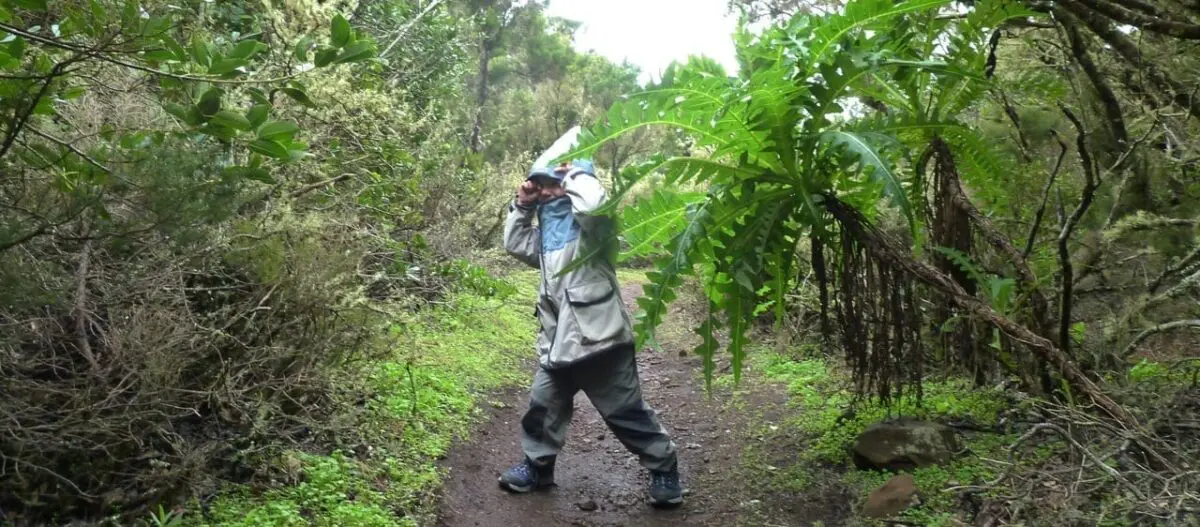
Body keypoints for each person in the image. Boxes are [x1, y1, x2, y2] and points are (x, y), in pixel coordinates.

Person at [498, 158, 683, 506]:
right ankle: (537, 467)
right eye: (542, 184)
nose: (548, 192)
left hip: (601, 339)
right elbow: (517, 244)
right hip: (557, 341)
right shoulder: (549, 231)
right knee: (543, 406)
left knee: (625, 412)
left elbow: (595, 207)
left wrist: (575, 174)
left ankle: (663, 467)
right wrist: (523, 205)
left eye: (553, 183)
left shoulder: (594, 227)